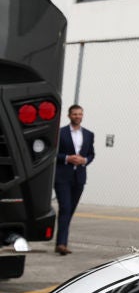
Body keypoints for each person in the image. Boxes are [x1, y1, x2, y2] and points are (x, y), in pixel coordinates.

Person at [53, 104, 95, 255]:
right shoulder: (60, 133)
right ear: (69, 116)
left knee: (70, 210)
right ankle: (61, 244)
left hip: (79, 178)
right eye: (75, 114)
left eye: (80, 114)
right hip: (62, 177)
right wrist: (67, 158)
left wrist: (84, 160)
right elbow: (53, 153)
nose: (78, 116)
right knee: (65, 207)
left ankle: (61, 240)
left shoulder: (89, 134)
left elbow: (91, 154)